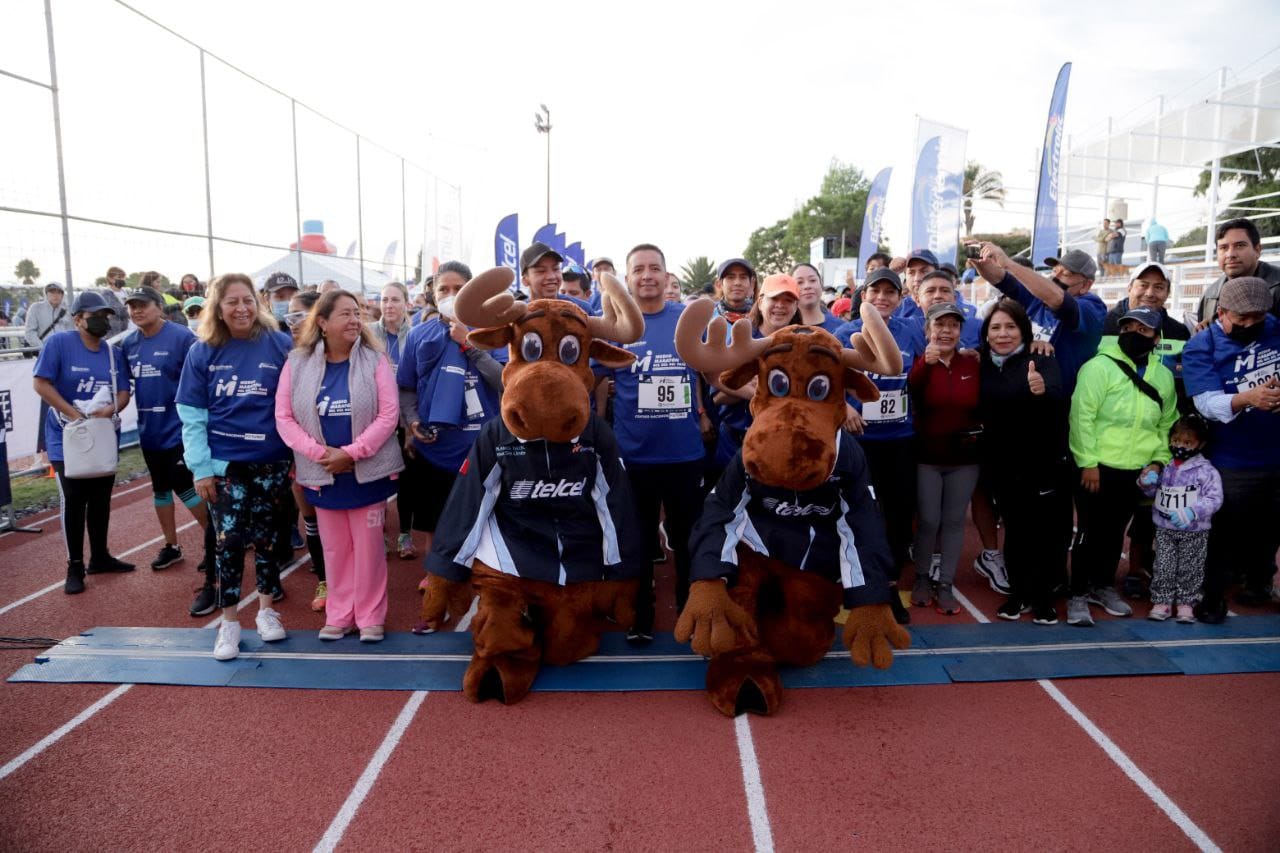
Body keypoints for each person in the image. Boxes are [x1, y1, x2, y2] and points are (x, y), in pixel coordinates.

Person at [177, 273, 295, 660]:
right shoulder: (203, 350)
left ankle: (266, 611)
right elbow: (192, 416)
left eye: (247, 300)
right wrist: (200, 469)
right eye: (232, 302)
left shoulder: (280, 343)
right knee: (228, 542)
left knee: (267, 539)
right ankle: (229, 623)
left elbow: (295, 402)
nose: (241, 308)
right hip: (224, 465)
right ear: (218, 308)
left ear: (257, 303)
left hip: (271, 460)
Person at [276, 289, 403, 642]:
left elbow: (389, 414)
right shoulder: (297, 363)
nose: (354, 320)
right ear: (322, 322)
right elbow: (284, 417)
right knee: (334, 550)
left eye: (357, 313)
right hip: (323, 473)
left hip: (365, 472)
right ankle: (339, 613)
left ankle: (371, 616)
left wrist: (353, 452)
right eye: (345, 314)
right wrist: (321, 455)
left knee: (369, 548)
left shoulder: (374, 360)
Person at [598, 243, 706, 642]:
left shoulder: (688, 319)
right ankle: (641, 615)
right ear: (627, 279)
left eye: (654, 268)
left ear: (666, 275)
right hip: (634, 457)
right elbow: (587, 373)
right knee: (638, 542)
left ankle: (691, 612)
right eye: (639, 269)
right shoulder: (615, 327)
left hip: (685, 455)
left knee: (689, 542)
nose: (647, 275)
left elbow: (719, 368)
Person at [1068, 306, 1177, 626]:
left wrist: (1158, 460)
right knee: (1089, 531)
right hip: (1098, 466)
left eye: (1143, 330)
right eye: (1128, 327)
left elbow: (1167, 424)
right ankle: (1077, 593)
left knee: (1116, 532)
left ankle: (1102, 586)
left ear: (1156, 338)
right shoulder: (1098, 368)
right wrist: (1087, 462)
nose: (1134, 334)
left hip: (1139, 470)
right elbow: (1081, 417)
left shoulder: (1163, 376)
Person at [1182, 276, 1280, 620]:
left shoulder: (1274, 327)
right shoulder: (1200, 346)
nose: (1252, 324)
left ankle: (1259, 584)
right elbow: (1207, 404)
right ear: (1221, 312)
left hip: (1276, 452)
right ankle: (1211, 596)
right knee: (1221, 532)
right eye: (1242, 318)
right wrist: (1247, 398)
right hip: (1232, 458)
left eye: (1258, 317)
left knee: (1271, 526)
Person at [396, 261, 505, 557]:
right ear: (432, 292)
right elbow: (406, 387)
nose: (451, 295)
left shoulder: (492, 332)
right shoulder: (419, 335)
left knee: (485, 519)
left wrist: (469, 343)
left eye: (459, 289)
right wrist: (413, 420)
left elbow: (504, 381)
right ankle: (437, 575)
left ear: (473, 291)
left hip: (482, 446)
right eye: (444, 289)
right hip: (435, 447)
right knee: (436, 519)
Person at [834, 267, 924, 623]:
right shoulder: (844, 333)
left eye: (890, 292)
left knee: (900, 516)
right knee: (857, 514)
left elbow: (936, 357)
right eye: (876, 292)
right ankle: (857, 586)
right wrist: (842, 406)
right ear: (864, 297)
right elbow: (826, 378)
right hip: (860, 442)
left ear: (900, 299)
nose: (882, 298)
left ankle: (887, 586)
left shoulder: (911, 331)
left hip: (900, 440)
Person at [33, 291, 134, 594]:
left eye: (105, 316)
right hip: (67, 437)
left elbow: (124, 392)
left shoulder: (113, 353)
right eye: (95, 316)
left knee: (101, 498)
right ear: (78, 319)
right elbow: (41, 383)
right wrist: (72, 413)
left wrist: (111, 408)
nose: (102, 321)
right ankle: (74, 565)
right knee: (74, 499)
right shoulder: (58, 344)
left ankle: (100, 556)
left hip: (102, 436)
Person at [977, 299, 1072, 624]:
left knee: (1044, 533)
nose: (1003, 334)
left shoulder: (1041, 358)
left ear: (1024, 331)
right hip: (1002, 465)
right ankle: (1019, 594)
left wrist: (1042, 389)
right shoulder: (981, 363)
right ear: (986, 333)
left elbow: (1058, 396)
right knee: (1016, 531)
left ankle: (1043, 598)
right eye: (995, 327)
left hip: (1043, 463)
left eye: (1010, 327)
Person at [118, 286, 214, 590]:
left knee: (186, 487)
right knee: (160, 490)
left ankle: (216, 542)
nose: (136, 311)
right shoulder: (127, 344)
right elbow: (124, 387)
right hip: (150, 431)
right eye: (132, 306)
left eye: (143, 305)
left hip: (179, 428)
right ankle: (171, 546)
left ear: (160, 307)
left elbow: (203, 376)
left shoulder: (182, 337)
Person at [907, 302, 982, 615]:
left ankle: (946, 583)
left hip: (964, 459)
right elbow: (911, 390)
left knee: (953, 522)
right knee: (928, 520)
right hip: (927, 457)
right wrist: (926, 363)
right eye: (940, 325)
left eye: (953, 325)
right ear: (928, 330)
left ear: (960, 332)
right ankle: (922, 578)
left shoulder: (972, 363)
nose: (946, 331)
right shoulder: (920, 364)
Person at [970, 244, 1107, 391]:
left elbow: (1058, 299)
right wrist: (979, 261)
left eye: (1065, 274)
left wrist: (1008, 264)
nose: (1055, 277)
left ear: (1086, 285)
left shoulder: (1093, 308)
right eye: (1055, 271)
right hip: (1023, 391)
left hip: (1060, 399)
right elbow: (1001, 279)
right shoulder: (1037, 298)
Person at [704, 274, 801, 480]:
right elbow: (717, 397)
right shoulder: (739, 339)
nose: (780, 306)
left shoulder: (803, 346)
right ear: (760, 301)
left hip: (784, 443)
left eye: (788, 300)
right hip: (735, 443)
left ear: (796, 306)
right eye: (774, 299)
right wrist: (752, 389)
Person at [1140, 415, 1222, 623]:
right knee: (1163, 565)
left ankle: (1187, 603)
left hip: (1195, 531)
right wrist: (1146, 481)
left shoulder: (1207, 471)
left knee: (1190, 568)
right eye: (1176, 441)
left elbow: (1214, 498)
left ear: (1200, 444)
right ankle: (1162, 602)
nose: (1180, 446)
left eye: (1187, 442)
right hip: (1165, 528)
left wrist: (1192, 512)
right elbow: (1152, 492)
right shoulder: (1165, 466)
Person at [281, 290, 330, 610]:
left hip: (343, 454)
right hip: (302, 454)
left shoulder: (342, 353)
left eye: (299, 316)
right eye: (289, 317)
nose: (292, 324)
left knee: (339, 521)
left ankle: (351, 580)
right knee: (310, 517)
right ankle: (325, 580)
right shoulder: (289, 357)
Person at [367, 281, 417, 559]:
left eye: (395, 300)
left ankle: (405, 535)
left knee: (407, 480)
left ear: (406, 303)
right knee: (378, 478)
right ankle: (380, 533)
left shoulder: (414, 335)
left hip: (405, 419)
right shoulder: (369, 335)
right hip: (376, 421)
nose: (389, 305)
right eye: (384, 300)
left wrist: (411, 424)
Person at [24, 282, 75, 466]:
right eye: (51, 292)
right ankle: (43, 453)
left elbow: (73, 332)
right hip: (46, 360)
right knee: (47, 402)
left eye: (58, 292)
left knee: (67, 399)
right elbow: (29, 333)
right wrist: (46, 350)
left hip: (66, 361)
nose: (55, 295)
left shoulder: (68, 310)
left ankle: (71, 444)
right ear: (46, 293)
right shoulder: (36, 308)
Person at [1195, 218, 1280, 323]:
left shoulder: (1277, 288)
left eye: (1240, 246)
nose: (1231, 254)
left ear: (1257, 250)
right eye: (1223, 247)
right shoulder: (1210, 295)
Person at [522, 242, 592, 314]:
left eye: (556, 269)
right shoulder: (517, 314)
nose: (551, 276)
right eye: (541, 271)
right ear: (525, 280)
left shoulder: (582, 309)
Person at [792, 263, 841, 332]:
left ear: (821, 285)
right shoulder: (783, 330)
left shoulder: (841, 328)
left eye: (812, 280)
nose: (807, 286)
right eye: (800, 282)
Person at [712, 258, 756, 322]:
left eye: (743, 277)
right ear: (719, 284)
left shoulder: (761, 318)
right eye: (730, 277)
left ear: (751, 284)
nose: (737, 283)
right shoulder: (707, 317)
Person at [99, 266, 130, 336]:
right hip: (113, 332)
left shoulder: (126, 292)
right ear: (110, 279)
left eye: (123, 277)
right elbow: (115, 311)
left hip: (126, 330)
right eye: (119, 277)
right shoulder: (106, 294)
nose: (122, 279)